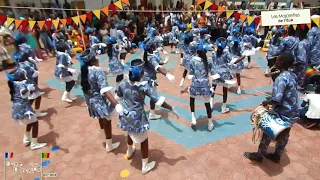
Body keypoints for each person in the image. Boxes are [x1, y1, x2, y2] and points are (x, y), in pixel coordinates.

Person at [116, 58, 179, 174]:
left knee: (129, 132)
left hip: (126, 116)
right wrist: (171, 108)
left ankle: (129, 152)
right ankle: (145, 166)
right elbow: (157, 100)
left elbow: (118, 97)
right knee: (144, 141)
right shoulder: (143, 87)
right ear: (141, 73)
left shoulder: (123, 82)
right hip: (138, 118)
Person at [244, 53, 299, 163]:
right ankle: (277, 155)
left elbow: (276, 99)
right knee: (284, 132)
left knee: (267, 130)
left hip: (283, 111)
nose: (275, 62)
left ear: (281, 63)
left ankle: (259, 155)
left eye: (277, 60)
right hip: (292, 111)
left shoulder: (281, 79)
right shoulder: (292, 75)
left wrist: (265, 102)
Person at [79, 48, 124, 151]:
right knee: (107, 121)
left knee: (100, 118)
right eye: (96, 57)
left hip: (90, 101)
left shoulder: (83, 70)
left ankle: (103, 136)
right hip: (99, 102)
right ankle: (109, 145)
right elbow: (104, 90)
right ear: (93, 60)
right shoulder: (97, 71)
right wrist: (116, 104)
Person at [6, 69, 47, 150]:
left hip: (17, 107)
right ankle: (34, 144)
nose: (24, 75)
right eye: (22, 74)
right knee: (35, 123)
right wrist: (28, 89)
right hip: (23, 108)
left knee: (30, 121)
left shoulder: (13, 83)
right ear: (19, 76)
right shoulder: (21, 84)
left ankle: (26, 138)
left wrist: (29, 90)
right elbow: (24, 94)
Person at [141, 38, 175, 120]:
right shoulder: (151, 57)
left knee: (143, 95)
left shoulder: (148, 54)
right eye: (154, 43)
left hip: (144, 78)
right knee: (153, 96)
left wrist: (164, 62)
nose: (156, 44)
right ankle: (152, 114)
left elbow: (156, 63)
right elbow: (157, 66)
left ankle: (142, 111)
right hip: (150, 80)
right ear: (151, 47)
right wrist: (167, 75)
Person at [210, 37, 239, 113]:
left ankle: (210, 104)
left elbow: (211, 64)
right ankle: (224, 107)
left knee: (213, 88)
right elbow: (233, 60)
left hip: (215, 73)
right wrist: (243, 56)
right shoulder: (226, 53)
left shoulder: (213, 53)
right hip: (225, 74)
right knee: (225, 91)